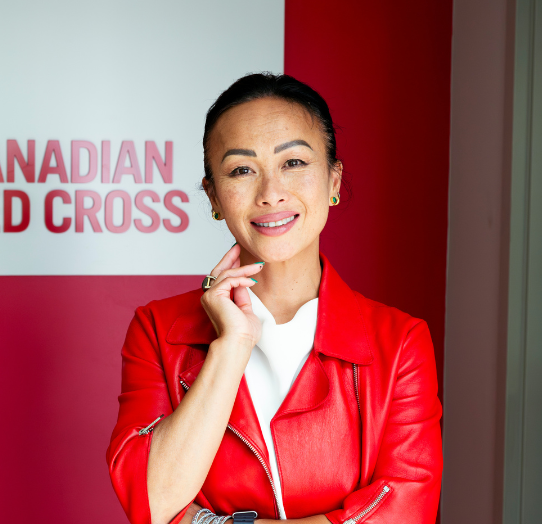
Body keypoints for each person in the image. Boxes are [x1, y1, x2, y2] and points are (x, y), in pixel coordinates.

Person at [106, 73, 442, 524]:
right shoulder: (157, 329)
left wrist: (208, 523)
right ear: (214, 197)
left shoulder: (400, 343)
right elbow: (152, 502)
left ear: (333, 179)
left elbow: (405, 512)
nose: (270, 193)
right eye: (241, 170)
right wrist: (231, 347)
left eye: (295, 163)